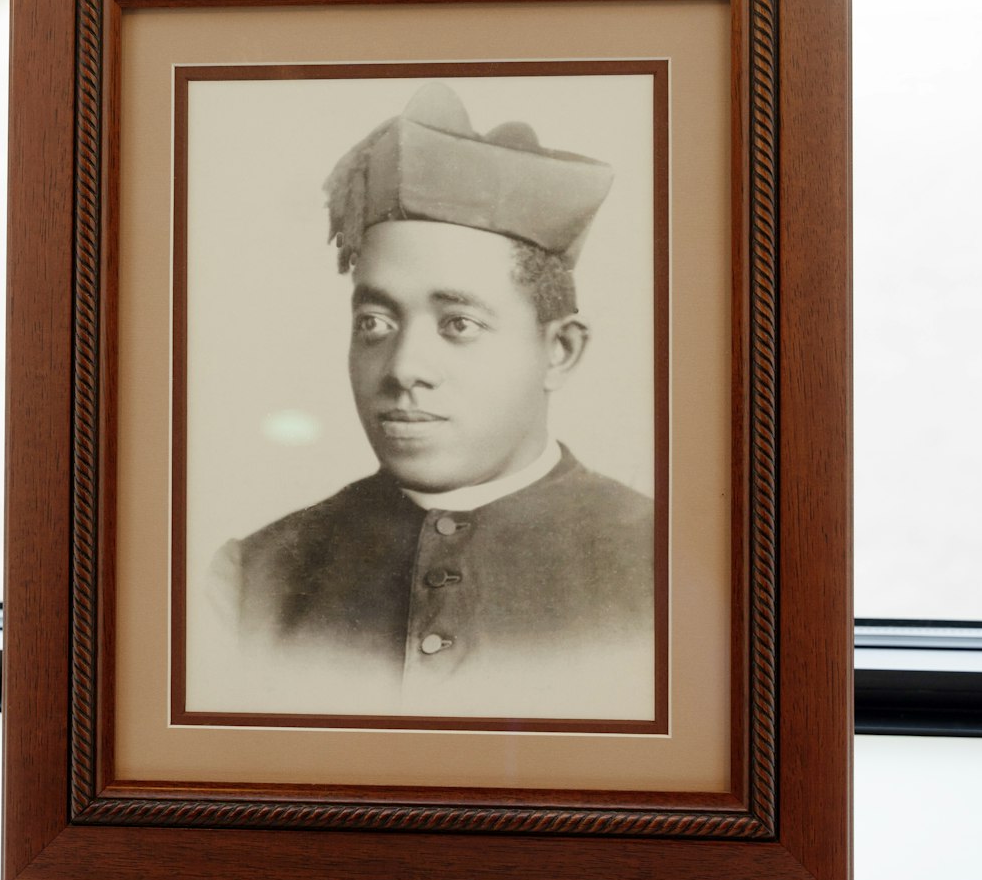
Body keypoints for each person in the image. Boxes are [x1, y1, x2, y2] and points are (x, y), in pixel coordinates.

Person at [208, 82, 656, 720]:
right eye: (375, 324)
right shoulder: (254, 579)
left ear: (560, 351)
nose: (403, 370)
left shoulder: (666, 570)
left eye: (458, 325)